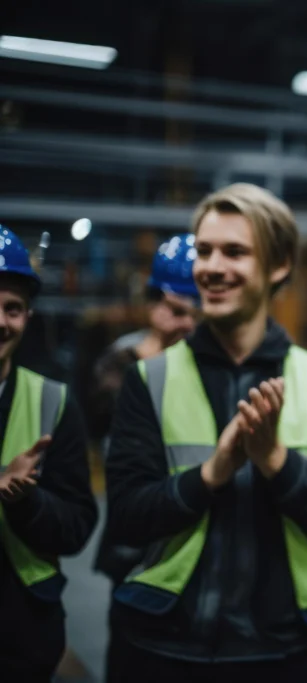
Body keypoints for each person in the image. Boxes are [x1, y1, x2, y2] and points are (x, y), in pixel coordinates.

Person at [104, 183, 307, 683]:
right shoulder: (149, 379)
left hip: (288, 655)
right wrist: (213, 472)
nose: (211, 267)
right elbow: (126, 517)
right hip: (161, 648)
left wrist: (274, 459)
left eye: (234, 251)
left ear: (279, 266)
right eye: (204, 250)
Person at [0, 225, 98, 682]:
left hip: (23, 636)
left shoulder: (53, 404)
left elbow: (78, 526)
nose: (1, 320)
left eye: (12, 308)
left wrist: (27, 501)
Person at [92, 233, 200, 579]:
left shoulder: (205, 361)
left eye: (194, 313)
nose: (187, 324)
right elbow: (107, 422)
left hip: (191, 514)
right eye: (177, 310)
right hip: (136, 523)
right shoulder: (124, 359)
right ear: (154, 305)